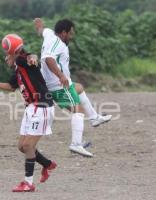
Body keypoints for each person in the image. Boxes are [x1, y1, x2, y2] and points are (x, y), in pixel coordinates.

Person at [0, 34, 56, 192]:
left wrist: (32, 58)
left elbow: (31, 57)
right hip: (31, 108)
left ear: (13, 52)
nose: (6, 57)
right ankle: (48, 164)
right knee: (22, 146)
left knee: (28, 145)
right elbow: (10, 86)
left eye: (7, 54)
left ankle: (28, 183)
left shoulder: (23, 60)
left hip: (41, 106)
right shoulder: (18, 69)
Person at [34, 18, 112, 157]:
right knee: (78, 110)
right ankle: (76, 144)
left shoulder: (49, 33)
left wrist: (39, 26)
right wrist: (61, 76)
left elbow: (42, 31)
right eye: (71, 33)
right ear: (63, 33)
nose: (72, 36)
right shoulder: (57, 43)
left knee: (79, 88)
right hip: (57, 86)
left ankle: (94, 118)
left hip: (57, 84)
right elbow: (48, 59)